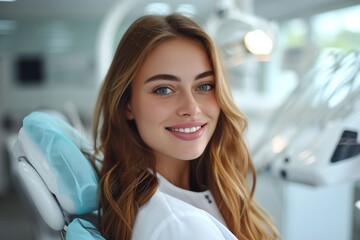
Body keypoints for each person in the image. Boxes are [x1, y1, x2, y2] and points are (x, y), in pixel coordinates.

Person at [91, 13, 279, 240]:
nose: (191, 107)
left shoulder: (206, 193)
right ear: (127, 104)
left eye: (205, 85)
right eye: (164, 89)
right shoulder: (178, 226)